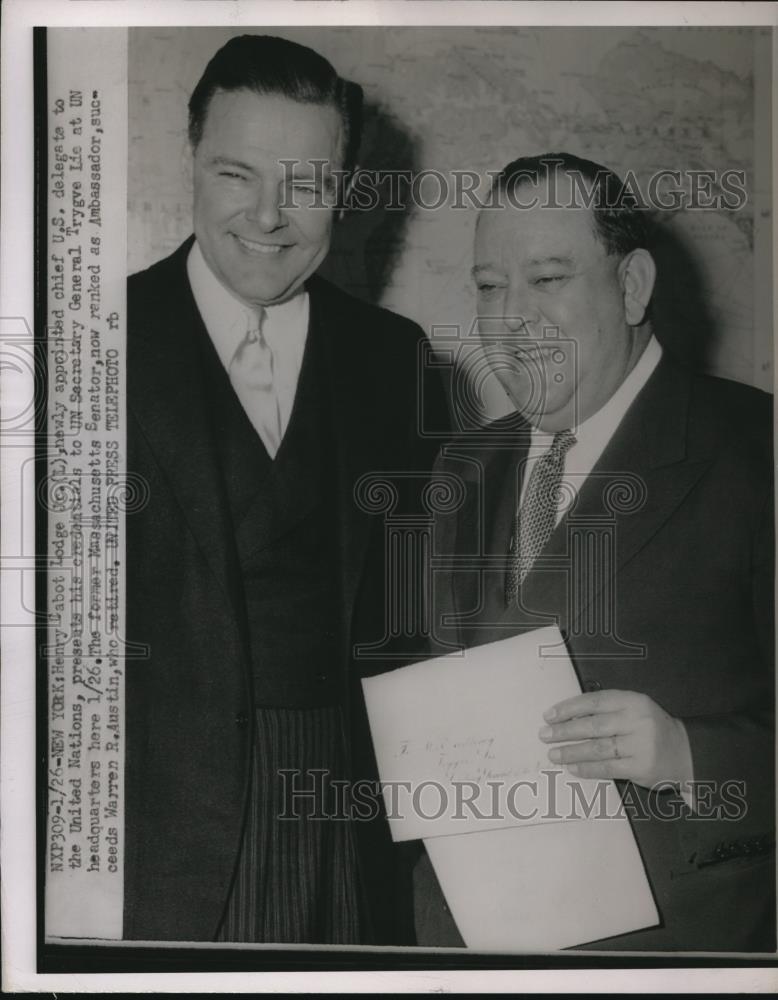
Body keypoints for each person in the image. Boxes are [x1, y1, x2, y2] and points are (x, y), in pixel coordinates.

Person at [124, 34, 446, 945]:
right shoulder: (93, 341)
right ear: (190, 164)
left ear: (343, 187)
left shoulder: (396, 359)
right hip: (153, 839)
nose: (270, 216)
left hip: (346, 826)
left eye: (304, 183)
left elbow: (418, 619)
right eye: (237, 174)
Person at [416, 153, 774, 951]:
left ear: (633, 286)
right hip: (468, 947)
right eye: (487, 286)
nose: (509, 321)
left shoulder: (759, 451)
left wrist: (688, 756)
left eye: (546, 280)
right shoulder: (461, 469)